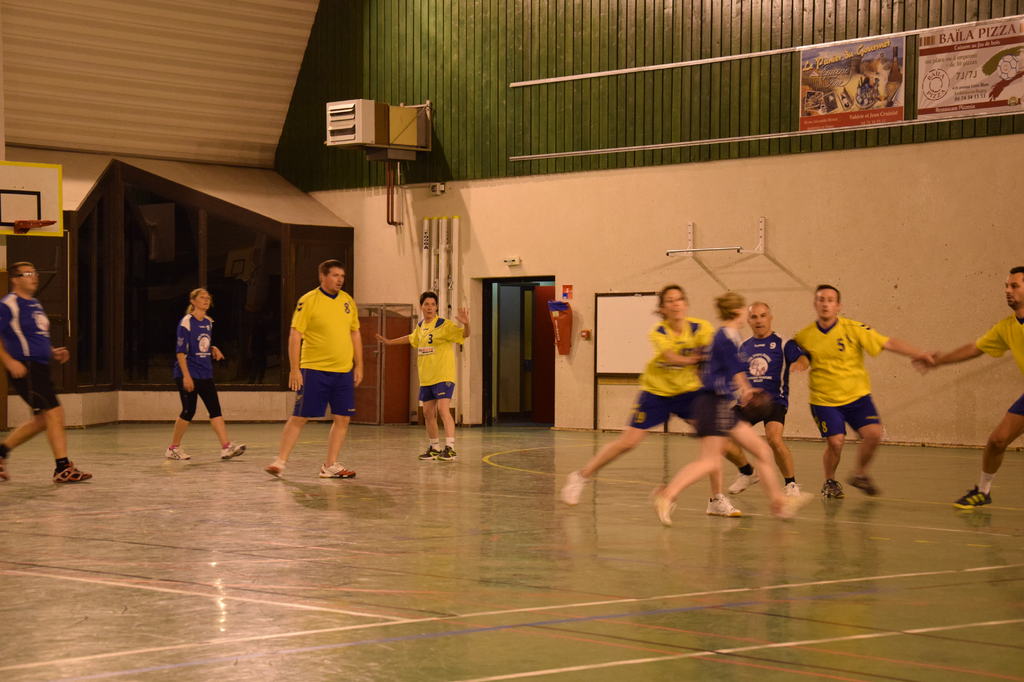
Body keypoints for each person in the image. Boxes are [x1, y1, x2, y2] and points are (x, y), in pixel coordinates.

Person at [561, 284, 741, 517]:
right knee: (627, 443)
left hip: (690, 393)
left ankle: (716, 499)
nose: (676, 304)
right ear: (663, 308)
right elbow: (671, 356)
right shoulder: (659, 331)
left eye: (679, 299)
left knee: (714, 442)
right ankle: (580, 477)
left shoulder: (701, 328)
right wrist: (697, 358)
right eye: (670, 301)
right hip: (657, 392)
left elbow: (714, 350)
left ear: (685, 304)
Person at [653, 292, 809, 526]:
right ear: (739, 313)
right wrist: (746, 390)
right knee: (709, 461)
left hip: (717, 404)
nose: (754, 318)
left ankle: (778, 502)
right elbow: (736, 370)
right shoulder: (729, 337)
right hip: (712, 404)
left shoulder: (724, 336)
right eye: (748, 312)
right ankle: (667, 495)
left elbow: (715, 367)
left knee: (762, 452)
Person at [792, 284, 932, 498]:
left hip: (857, 397)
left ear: (838, 306)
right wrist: (799, 362)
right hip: (824, 400)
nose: (825, 304)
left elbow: (888, 342)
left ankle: (860, 474)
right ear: (815, 304)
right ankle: (830, 481)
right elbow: (794, 351)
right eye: (821, 299)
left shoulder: (854, 329)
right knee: (836, 441)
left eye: (830, 300)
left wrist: (919, 353)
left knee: (874, 434)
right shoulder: (805, 335)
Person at [919, 267, 1024, 509]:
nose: (1008, 291)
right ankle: (983, 491)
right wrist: (939, 360)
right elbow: (975, 348)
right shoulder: (1006, 327)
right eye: (1006, 286)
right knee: (997, 441)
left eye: (1014, 286)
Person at [265, 260, 363, 478]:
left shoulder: (348, 302)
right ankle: (280, 461)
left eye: (342, 276)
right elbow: (295, 334)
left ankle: (330, 465)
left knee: (342, 418)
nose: (340, 280)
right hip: (315, 369)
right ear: (322, 276)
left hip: (343, 370)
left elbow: (355, 332)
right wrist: (295, 369)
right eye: (335, 275)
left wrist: (359, 365)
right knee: (300, 416)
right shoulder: (308, 301)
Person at [0, 262, 91, 483]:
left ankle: (1, 453)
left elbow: (33, 337)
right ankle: (62, 468)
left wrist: (52, 352)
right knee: (54, 413)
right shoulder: (8, 304)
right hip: (26, 368)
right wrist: (10, 361)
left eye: (35, 272)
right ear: (15, 279)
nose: (34, 277)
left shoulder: (35, 304)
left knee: (42, 420)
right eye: (28, 273)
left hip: (40, 367)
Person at [725, 301, 808, 496]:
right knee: (720, 433)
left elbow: (802, 357)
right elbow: (736, 373)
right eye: (754, 316)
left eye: (763, 315)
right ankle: (747, 473)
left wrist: (800, 364)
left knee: (774, 439)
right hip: (749, 401)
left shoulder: (783, 342)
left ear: (770, 318)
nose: (759, 320)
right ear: (749, 320)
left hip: (774, 400)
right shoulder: (744, 346)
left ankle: (791, 484)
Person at [376, 292, 469, 461]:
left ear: (437, 307)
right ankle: (434, 447)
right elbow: (411, 338)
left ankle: (450, 448)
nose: (430, 307)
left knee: (442, 409)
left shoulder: (444, 325)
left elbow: (464, 335)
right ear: (422, 306)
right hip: (427, 377)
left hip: (443, 375)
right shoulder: (420, 327)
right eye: (427, 304)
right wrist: (390, 342)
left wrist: (467, 324)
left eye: (433, 304)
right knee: (427, 413)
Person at [164, 288, 245, 461]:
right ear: (193, 301)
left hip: (205, 373)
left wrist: (212, 348)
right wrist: (186, 376)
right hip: (188, 373)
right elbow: (180, 352)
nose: (206, 300)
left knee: (215, 409)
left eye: (208, 298)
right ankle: (173, 448)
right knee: (188, 411)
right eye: (202, 298)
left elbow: (200, 344)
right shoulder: (186, 322)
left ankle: (226, 447)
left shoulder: (208, 322)